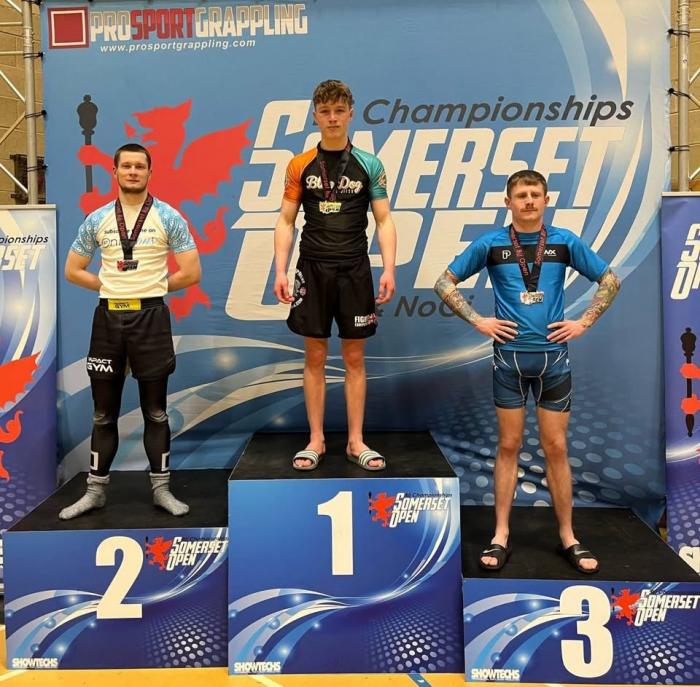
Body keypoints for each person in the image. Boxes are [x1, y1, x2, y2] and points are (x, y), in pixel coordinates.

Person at [434, 169, 620, 574]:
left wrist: (583, 322)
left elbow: (609, 280)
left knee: (556, 447)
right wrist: (478, 321)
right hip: (509, 360)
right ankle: (501, 534)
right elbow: (444, 284)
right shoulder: (492, 244)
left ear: (546, 200)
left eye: (535, 194)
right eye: (521, 195)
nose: (529, 201)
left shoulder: (564, 242)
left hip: (554, 360)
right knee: (508, 445)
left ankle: (568, 536)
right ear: (509, 202)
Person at [59, 143, 201, 520]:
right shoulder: (97, 218)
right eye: (127, 166)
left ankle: (162, 490)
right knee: (103, 414)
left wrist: (151, 286)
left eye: (140, 166)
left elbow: (191, 272)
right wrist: (111, 286)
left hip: (150, 318)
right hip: (108, 320)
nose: (133, 172)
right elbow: (72, 270)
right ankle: (95, 492)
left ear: (150, 172)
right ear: (115, 172)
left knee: (155, 411)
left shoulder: (168, 216)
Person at [273, 79, 397, 471]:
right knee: (314, 354)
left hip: (354, 269)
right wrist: (279, 270)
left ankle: (356, 441)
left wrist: (388, 268)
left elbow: (384, 220)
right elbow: (286, 220)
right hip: (312, 268)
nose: (332, 118)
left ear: (350, 114)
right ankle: (316, 439)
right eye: (325, 112)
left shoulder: (370, 164)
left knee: (354, 356)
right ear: (315, 115)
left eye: (339, 111)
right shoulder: (299, 165)